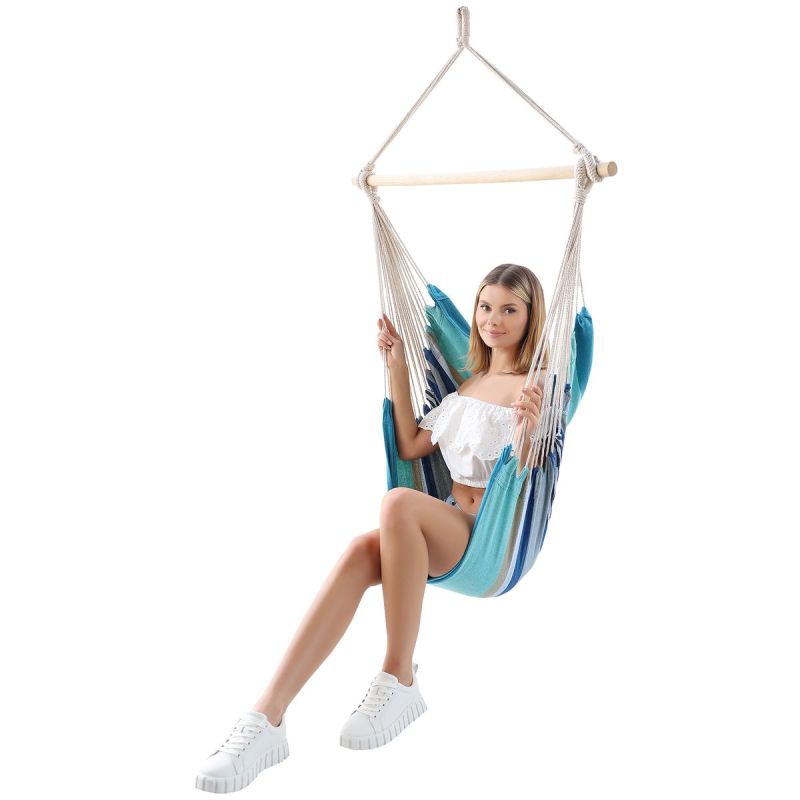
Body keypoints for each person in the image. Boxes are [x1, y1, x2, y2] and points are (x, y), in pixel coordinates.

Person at [194, 264, 545, 793]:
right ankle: (267, 718)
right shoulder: (470, 384)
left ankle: (398, 674)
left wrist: (530, 429)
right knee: (361, 550)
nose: (492, 319)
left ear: (530, 316)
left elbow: (527, 470)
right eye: (485, 306)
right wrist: (397, 365)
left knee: (400, 502)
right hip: (447, 526)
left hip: (489, 541)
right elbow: (410, 445)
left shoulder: (533, 387)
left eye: (509, 310)